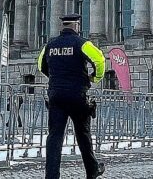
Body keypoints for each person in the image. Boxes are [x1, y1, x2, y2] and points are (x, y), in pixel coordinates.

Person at [37, 14, 107, 179]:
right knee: (83, 134)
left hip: (56, 95)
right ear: (76, 26)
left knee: (54, 136)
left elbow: (41, 65)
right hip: (77, 94)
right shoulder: (82, 43)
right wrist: (94, 78)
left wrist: (56, 78)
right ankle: (92, 170)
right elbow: (100, 60)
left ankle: (51, 176)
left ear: (62, 26)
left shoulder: (50, 45)